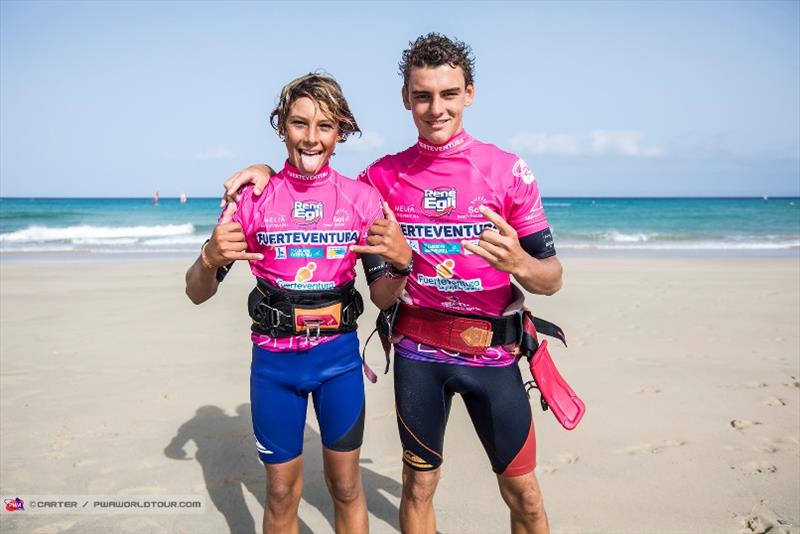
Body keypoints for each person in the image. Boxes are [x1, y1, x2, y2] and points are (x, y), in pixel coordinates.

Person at [223, 34, 563, 534]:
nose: (436, 108)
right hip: (419, 356)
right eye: (423, 95)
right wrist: (266, 170)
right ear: (406, 98)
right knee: (418, 488)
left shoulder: (507, 170)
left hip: (494, 354)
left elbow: (551, 279)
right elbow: (316, 178)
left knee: (526, 498)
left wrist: (521, 264)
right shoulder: (382, 178)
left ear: (469, 93)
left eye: (448, 94)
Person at [186, 73, 412, 534]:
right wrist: (209, 257)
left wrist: (403, 264)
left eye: (324, 126)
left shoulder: (362, 200)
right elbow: (196, 291)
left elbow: (381, 295)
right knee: (282, 493)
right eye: (299, 123)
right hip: (274, 368)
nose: (311, 138)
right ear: (281, 127)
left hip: (339, 365)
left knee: (346, 488)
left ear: (340, 131)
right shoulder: (252, 199)